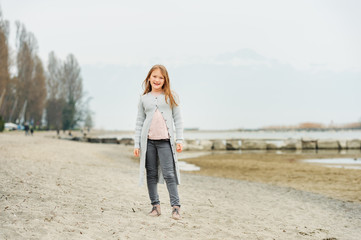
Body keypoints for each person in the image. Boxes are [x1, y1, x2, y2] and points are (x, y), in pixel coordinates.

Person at [134, 64, 184, 220]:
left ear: (165, 80)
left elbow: (178, 119)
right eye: (154, 76)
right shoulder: (144, 99)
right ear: (149, 78)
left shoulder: (171, 96)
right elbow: (139, 122)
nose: (157, 80)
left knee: (170, 174)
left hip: (165, 142)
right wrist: (137, 144)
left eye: (160, 77)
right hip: (148, 143)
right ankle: (155, 206)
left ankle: (176, 207)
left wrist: (179, 139)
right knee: (151, 175)